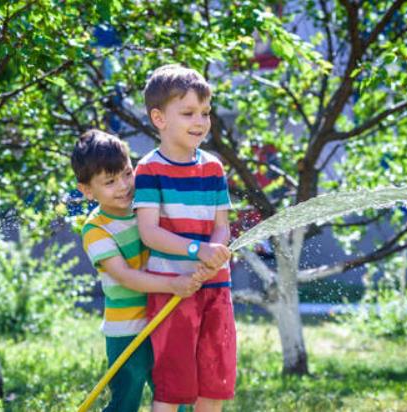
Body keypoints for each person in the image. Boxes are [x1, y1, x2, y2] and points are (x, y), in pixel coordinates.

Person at [72, 129, 211, 412]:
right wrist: (173, 285)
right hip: (127, 328)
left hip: (164, 315)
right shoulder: (95, 229)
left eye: (126, 173)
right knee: (126, 399)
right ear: (87, 190)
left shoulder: (145, 208)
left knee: (176, 393)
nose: (123, 186)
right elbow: (125, 276)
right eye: (110, 182)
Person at [134, 64, 236, 412]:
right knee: (174, 385)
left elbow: (221, 225)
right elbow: (149, 233)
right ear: (159, 119)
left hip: (216, 289)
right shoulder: (149, 169)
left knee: (214, 383)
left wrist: (217, 251)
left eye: (205, 113)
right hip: (174, 289)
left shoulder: (213, 168)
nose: (201, 121)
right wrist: (198, 250)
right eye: (189, 113)